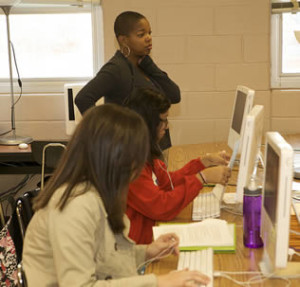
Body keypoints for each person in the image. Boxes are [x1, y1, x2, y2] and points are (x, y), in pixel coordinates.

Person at [22, 104, 210, 287]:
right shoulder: (75, 205)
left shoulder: (97, 190)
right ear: (116, 158)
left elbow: (103, 256)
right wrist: (157, 282)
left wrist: (147, 252)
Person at [126, 88, 232, 244]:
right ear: (147, 124)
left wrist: (203, 162)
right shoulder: (131, 166)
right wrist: (202, 178)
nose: (166, 126)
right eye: (163, 120)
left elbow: (167, 182)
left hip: (148, 238)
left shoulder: (144, 154)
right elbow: (161, 206)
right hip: (138, 249)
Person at [75, 11, 180, 150]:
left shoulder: (144, 65)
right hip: (133, 152)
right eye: (141, 35)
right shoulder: (116, 68)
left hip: (157, 148)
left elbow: (174, 96)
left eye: (149, 33)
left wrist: (150, 65)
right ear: (123, 40)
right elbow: (83, 98)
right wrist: (108, 134)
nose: (148, 38)